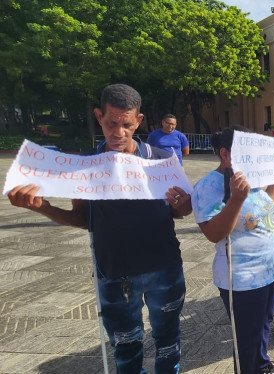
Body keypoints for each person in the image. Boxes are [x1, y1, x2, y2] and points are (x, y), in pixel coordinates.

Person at [7, 84, 191, 373]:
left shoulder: (161, 160)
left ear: (139, 121)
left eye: (127, 125)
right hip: (115, 273)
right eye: (111, 123)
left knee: (168, 342)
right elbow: (83, 219)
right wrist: (41, 207)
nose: (119, 133)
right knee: (126, 349)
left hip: (164, 268)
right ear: (99, 117)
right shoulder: (87, 167)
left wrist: (183, 204)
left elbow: (180, 213)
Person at [191, 126, 274, 374]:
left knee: (263, 325)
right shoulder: (208, 187)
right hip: (242, 278)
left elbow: (265, 205)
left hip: (270, 269)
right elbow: (213, 233)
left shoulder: (253, 178)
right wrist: (235, 198)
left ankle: (262, 365)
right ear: (225, 154)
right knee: (246, 337)